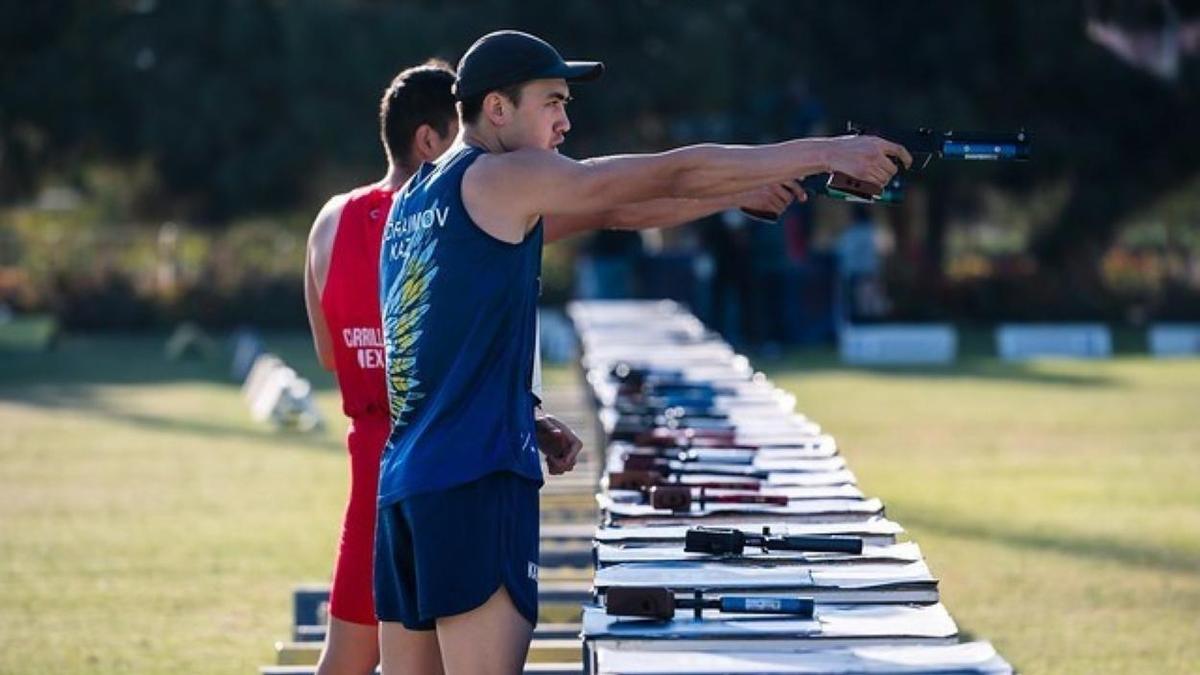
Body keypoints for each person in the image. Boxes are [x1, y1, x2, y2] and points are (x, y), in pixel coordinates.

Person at [375, 30, 910, 675]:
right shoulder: (502, 175)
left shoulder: (417, 198)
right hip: (473, 482)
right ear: (496, 109)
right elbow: (668, 171)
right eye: (552, 102)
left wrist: (731, 193)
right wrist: (825, 150)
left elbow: (615, 214)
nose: (566, 122)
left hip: (406, 486)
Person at [304, 60, 805, 675]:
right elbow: (616, 203)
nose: (563, 123)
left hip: (390, 476)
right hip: (470, 469)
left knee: (343, 664)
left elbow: (347, 355)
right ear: (440, 136)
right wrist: (796, 164)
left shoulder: (366, 216)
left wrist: (513, 407)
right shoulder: (487, 186)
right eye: (551, 103)